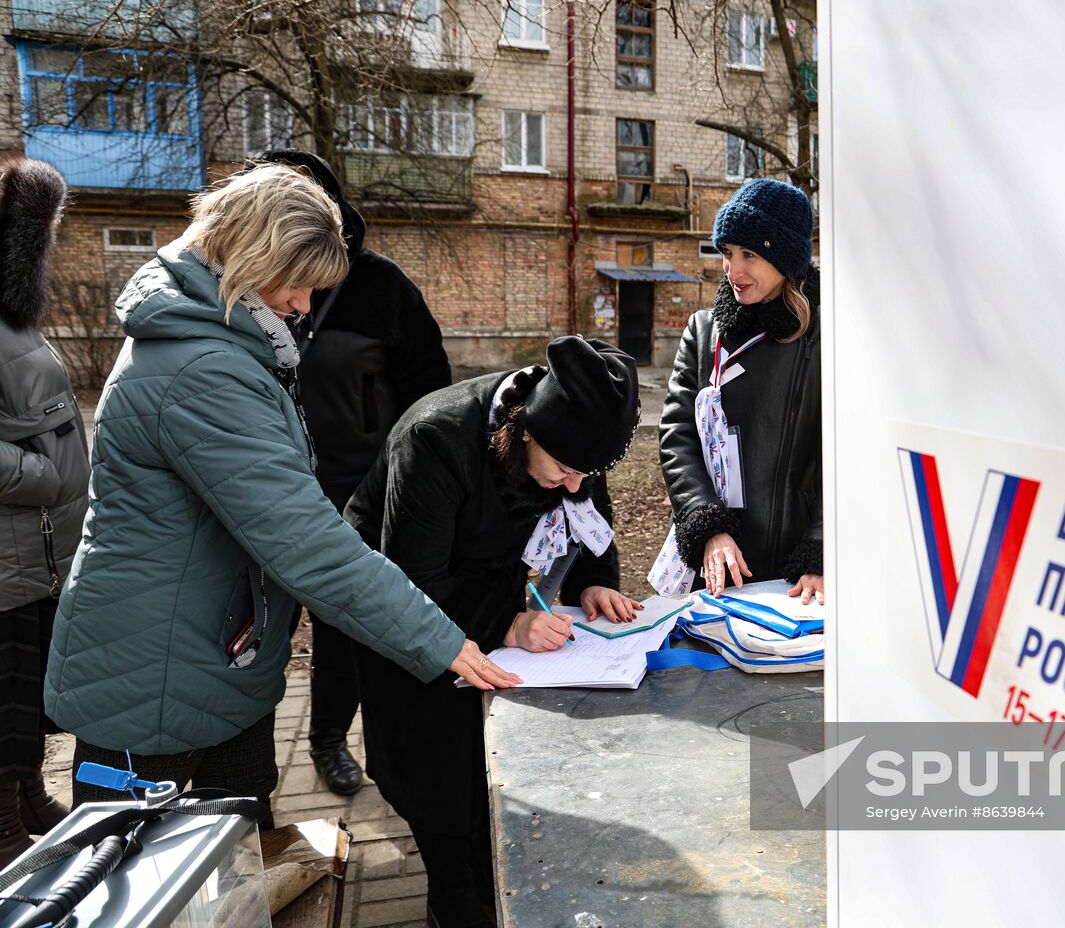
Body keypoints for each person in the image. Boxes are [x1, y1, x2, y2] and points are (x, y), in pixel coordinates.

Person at [44, 164, 518, 828]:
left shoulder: (224, 342)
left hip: (210, 665)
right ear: (251, 258)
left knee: (237, 869)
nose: (302, 305)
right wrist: (443, 641)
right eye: (297, 285)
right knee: (147, 887)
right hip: (154, 687)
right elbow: (305, 543)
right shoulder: (201, 369)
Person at [343, 336, 642, 928]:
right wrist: (507, 622)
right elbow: (413, 582)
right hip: (402, 609)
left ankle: (488, 877)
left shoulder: (575, 443)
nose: (577, 485)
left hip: (483, 589)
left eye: (590, 472)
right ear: (528, 429)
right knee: (441, 785)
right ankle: (454, 902)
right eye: (564, 469)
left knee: (486, 776)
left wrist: (593, 581)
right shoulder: (434, 439)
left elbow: (586, 514)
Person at [258, 148, 453, 797]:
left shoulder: (380, 287)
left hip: (355, 495)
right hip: (266, 498)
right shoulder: (244, 291)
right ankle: (249, 769)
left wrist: (402, 480)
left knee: (342, 627)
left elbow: (429, 394)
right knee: (256, 636)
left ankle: (326, 739)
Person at [654, 178, 823, 602]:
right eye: (728, 253)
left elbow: (846, 453)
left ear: (785, 259)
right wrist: (708, 527)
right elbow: (678, 437)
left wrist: (820, 552)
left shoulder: (828, 336)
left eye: (750, 254)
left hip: (797, 574)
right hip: (716, 562)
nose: (734, 270)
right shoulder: (703, 330)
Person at [0, 158, 88, 867]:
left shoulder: (11, 319)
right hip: (6, 554)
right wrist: (43, 473)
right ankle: (2, 829)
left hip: (34, 552)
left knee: (24, 696)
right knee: (2, 702)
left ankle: (28, 794)